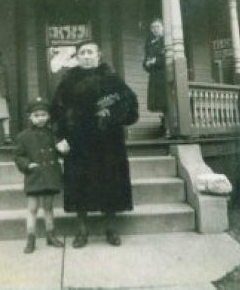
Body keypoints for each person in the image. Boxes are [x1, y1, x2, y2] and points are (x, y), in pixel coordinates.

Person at [51, 41, 138, 248]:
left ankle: (111, 228)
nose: (87, 56)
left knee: (111, 182)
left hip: (108, 143)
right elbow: (57, 110)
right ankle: (82, 231)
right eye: (83, 53)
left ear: (99, 55)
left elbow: (130, 106)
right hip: (78, 142)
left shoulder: (112, 80)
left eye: (91, 52)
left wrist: (110, 117)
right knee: (79, 184)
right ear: (77, 57)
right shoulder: (68, 81)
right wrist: (60, 137)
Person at [14, 97, 63, 254]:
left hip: (50, 175)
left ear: (48, 116)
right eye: (36, 115)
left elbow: (61, 151)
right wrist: (27, 165)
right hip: (34, 175)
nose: (40, 118)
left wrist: (64, 150)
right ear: (30, 117)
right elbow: (18, 156)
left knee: (48, 207)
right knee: (32, 208)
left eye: (43, 114)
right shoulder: (23, 136)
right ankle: (30, 239)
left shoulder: (53, 134)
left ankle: (51, 235)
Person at [143, 18, 167, 137]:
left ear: (163, 27)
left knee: (166, 101)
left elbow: (167, 59)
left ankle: (167, 127)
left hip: (165, 75)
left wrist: (156, 61)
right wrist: (146, 64)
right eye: (153, 27)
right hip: (154, 76)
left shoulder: (166, 41)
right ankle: (163, 126)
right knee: (158, 102)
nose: (155, 29)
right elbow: (146, 59)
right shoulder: (150, 43)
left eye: (157, 26)